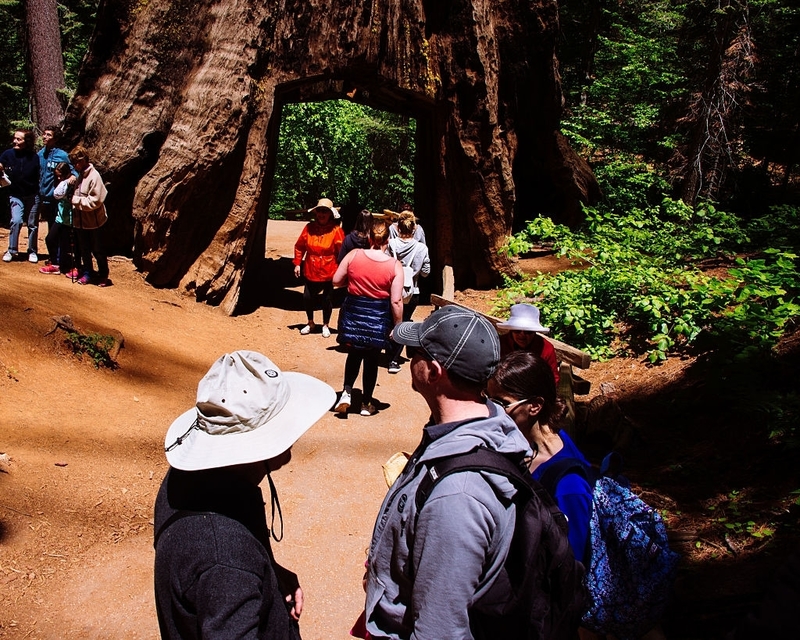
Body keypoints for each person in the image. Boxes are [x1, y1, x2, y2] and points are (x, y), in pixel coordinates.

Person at [363, 306, 533, 637]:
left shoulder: (458, 498)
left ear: (434, 371)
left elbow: (439, 628)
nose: (411, 358)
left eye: (416, 352)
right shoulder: (474, 425)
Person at [154, 350, 335, 640]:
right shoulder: (225, 557)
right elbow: (223, 568)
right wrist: (244, 575)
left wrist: (268, 573)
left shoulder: (188, 482)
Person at [486, 350, 592, 564]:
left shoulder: (570, 484)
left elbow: (572, 561)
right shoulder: (524, 443)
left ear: (535, 406)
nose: (490, 411)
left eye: (501, 404)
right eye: (487, 400)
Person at [332, 220, 403, 416]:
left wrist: (354, 280)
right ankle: (366, 403)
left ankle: (346, 392)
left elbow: (336, 281)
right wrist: (397, 326)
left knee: (354, 353)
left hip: (353, 312)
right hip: (378, 317)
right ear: (388, 240)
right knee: (371, 359)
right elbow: (396, 301)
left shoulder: (354, 255)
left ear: (369, 237)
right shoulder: (395, 265)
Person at [293, 198, 345, 338]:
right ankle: (310, 323)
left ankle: (326, 325)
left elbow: (342, 252)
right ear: (316, 213)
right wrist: (297, 263)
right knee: (307, 297)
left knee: (326, 299)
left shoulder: (336, 230)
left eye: (325, 211)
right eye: (320, 211)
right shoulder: (309, 228)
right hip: (311, 268)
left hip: (329, 269)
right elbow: (300, 246)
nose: (322, 214)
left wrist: (342, 270)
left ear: (330, 214)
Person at [386, 211, 431, 374]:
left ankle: (387, 351)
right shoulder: (422, 248)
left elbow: (385, 265)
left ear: (397, 228)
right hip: (412, 290)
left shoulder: (391, 245)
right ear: (414, 229)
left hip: (392, 290)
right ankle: (393, 359)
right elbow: (426, 271)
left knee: (390, 320)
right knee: (403, 323)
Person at [70, 146, 110, 286]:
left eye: (77, 162)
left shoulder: (94, 176)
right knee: (84, 249)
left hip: (94, 222)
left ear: (85, 159)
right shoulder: (80, 175)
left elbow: (96, 201)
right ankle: (88, 272)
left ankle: (103, 274)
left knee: (98, 249)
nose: (75, 165)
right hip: (80, 222)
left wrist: (76, 201)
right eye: (73, 162)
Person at [496, 303, 560, 385]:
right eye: (517, 330)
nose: (522, 335)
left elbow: (553, 379)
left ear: (534, 332)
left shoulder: (546, 348)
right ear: (511, 330)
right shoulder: (499, 344)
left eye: (528, 331)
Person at [1, 130, 40, 263]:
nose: (15, 141)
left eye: (19, 139)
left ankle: (32, 251)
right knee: (16, 221)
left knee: (32, 224)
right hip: (16, 195)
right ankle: (11, 250)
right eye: (14, 138)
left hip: (32, 195)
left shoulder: (34, 157)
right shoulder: (7, 154)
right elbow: (1, 164)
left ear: (26, 142)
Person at [35, 126, 73, 262]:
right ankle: (54, 257)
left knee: (56, 229)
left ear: (55, 139)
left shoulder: (62, 155)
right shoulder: (40, 154)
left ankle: (59, 258)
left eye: (48, 135)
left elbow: (73, 171)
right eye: (44, 134)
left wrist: (69, 180)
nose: (45, 137)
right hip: (42, 197)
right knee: (50, 226)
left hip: (56, 198)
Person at [39, 162, 79, 276]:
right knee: (50, 239)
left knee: (66, 244)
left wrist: (70, 179)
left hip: (70, 220)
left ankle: (71, 266)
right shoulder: (64, 182)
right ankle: (56, 264)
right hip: (60, 218)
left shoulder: (73, 182)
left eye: (61, 175)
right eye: (57, 175)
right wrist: (65, 181)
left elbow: (59, 193)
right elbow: (57, 194)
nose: (58, 177)